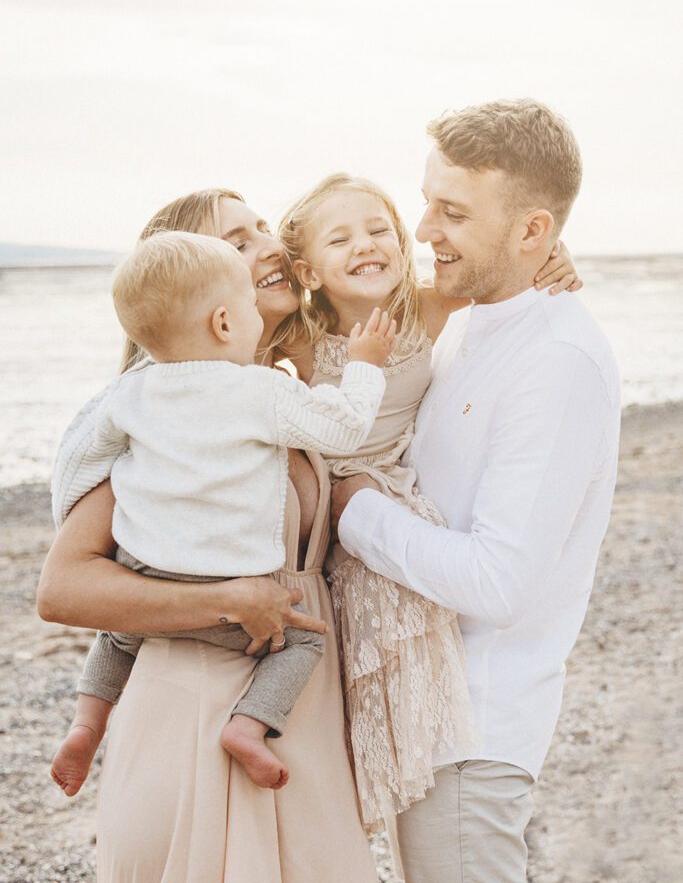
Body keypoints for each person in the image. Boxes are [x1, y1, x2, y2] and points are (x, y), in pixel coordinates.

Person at [38, 189, 380, 883]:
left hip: (298, 708)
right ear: (211, 303)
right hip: (193, 704)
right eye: (238, 242)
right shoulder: (158, 421)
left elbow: (408, 297)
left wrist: (532, 271)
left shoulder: (285, 383)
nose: (270, 246)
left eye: (264, 229)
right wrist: (227, 601)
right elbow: (62, 588)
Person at [332, 99, 621, 883]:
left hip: (475, 733)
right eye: (427, 202)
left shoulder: (556, 362)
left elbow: (499, 582)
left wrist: (350, 509)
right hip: (425, 717)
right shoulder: (466, 319)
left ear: (531, 231)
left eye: (451, 212)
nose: (421, 230)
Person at [273, 172, 580, 836]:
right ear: (308, 270)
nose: (366, 244)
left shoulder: (423, 307)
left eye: (379, 228)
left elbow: (502, 270)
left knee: (412, 648)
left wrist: (551, 258)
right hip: (333, 506)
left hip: (394, 499)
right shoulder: (296, 336)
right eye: (341, 237)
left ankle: (427, 780)